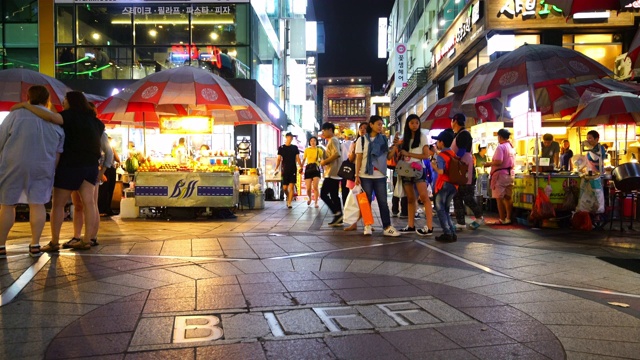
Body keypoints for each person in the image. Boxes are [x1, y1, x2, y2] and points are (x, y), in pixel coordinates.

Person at [21, 91, 105, 252]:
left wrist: (27, 105)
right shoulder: (97, 122)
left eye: (65, 99)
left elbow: (51, 117)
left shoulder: (68, 116)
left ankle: (54, 241)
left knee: (58, 204)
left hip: (70, 164)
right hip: (91, 166)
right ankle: (87, 239)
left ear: (70, 101)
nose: (63, 102)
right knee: (89, 203)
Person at [0, 86, 65, 258]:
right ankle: (35, 244)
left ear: (28, 97)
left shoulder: (15, 115)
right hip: (43, 166)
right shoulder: (55, 122)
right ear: (47, 99)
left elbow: (1, 139)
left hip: (13, 164)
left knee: (7, 204)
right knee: (37, 204)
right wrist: (52, 169)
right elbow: (59, 150)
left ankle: (1, 245)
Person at [354, 115, 400, 237]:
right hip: (365, 175)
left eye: (381, 125)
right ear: (371, 125)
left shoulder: (384, 140)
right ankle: (367, 225)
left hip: (380, 175)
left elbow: (388, 157)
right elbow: (358, 159)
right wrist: (356, 175)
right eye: (378, 124)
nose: (380, 127)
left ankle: (387, 227)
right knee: (365, 201)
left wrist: (395, 146)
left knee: (383, 202)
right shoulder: (362, 140)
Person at [396, 114, 433, 236]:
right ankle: (411, 225)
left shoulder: (422, 136)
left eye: (417, 123)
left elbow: (426, 155)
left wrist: (409, 154)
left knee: (424, 197)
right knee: (410, 199)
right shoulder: (404, 138)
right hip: (406, 170)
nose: (415, 125)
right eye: (412, 123)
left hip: (418, 169)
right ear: (407, 124)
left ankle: (429, 226)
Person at [450, 113, 485, 230]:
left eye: (452, 121)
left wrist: (453, 158)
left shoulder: (464, 134)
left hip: (465, 170)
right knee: (457, 196)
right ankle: (460, 222)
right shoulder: (458, 134)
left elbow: (461, 151)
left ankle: (479, 217)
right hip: (459, 170)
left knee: (467, 196)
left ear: (455, 121)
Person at [485, 129, 516, 225]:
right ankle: (508, 218)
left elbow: (498, 161)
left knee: (499, 198)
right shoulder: (511, 147)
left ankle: (502, 219)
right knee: (508, 197)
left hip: (500, 175)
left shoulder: (501, 147)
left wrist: (489, 163)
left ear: (500, 137)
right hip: (510, 174)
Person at [431, 130, 458, 242]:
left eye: (438, 141)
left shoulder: (441, 155)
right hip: (453, 185)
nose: (437, 143)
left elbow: (441, 172)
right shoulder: (453, 154)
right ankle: (452, 232)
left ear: (441, 142)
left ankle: (447, 233)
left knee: (440, 209)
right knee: (446, 209)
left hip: (444, 184)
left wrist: (434, 166)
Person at [344, 122, 369, 231]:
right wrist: (353, 151)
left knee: (364, 200)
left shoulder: (370, 142)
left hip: (366, 173)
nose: (362, 130)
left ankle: (367, 223)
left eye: (365, 128)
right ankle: (353, 223)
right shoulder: (354, 143)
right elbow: (350, 159)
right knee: (354, 199)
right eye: (361, 128)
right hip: (354, 174)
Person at [320, 123, 343, 226]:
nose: (323, 133)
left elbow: (337, 154)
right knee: (334, 195)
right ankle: (339, 217)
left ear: (330, 130)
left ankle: (336, 212)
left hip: (332, 172)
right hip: (335, 172)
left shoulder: (333, 140)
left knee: (323, 194)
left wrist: (325, 162)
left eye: (324, 130)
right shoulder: (333, 140)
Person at [275, 132, 302, 208]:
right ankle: (288, 197)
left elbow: (297, 158)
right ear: (286, 137)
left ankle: (289, 202)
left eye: (291, 138)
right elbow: (279, 158)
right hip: (284, 169)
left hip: (293, 169)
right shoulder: (281, 148)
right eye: (289, 137)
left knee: (291, 186)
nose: (290, 139)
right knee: (285, 188)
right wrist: (276, 166)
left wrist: (301, 166)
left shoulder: (295, 148)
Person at [300, 136, 324, 208]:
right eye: (311, 141)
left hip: (316, 169)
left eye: (314, 141)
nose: (313, 142)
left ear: (316, 142)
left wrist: (324, 170)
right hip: (308, 169)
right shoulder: (307, 150)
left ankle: (316, 202)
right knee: (308, 188)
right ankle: (310, 198)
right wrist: (301, 167)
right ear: (309, 142)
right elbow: (304, 159)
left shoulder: (319, 150)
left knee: (315, 187)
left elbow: (322, 160)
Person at [99, 136, 120, 216]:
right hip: (104, 169)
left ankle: (108, 208)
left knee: (110, 189)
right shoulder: (101, 150)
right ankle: (101, 209)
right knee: (103, 190)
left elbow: (118, 159)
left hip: (111, 169)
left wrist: (113, 149)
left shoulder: (111, 150)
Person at [339, 129, 355, 205]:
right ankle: (352, 204)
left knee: (344, 187)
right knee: (353, 187)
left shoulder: (342, 145)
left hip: (344, 167)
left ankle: (345, 204)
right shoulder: (355, 144)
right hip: (353, 167)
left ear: (345, 136)